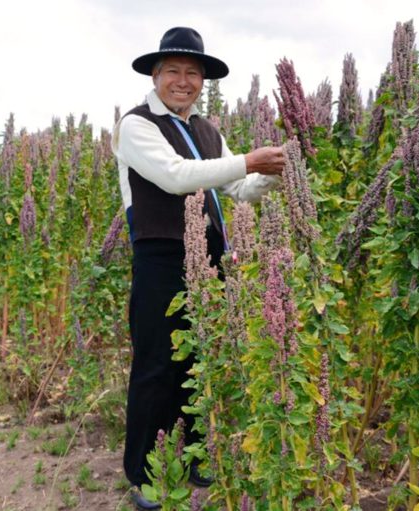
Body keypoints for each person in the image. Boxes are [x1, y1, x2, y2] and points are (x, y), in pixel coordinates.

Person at [111, 26, 285, 509]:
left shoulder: (208, 130)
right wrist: (248, 160)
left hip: (210, 257)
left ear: (203, 80)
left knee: (202, 358)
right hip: (161, 255)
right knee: (157, 366)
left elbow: (238, 190)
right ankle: (145, 475)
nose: (184, 81)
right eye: (174, 71)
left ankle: (192, 456)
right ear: (155, 74)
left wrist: (270, 174)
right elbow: (174, 178)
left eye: (193, 73)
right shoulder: (137, 125)